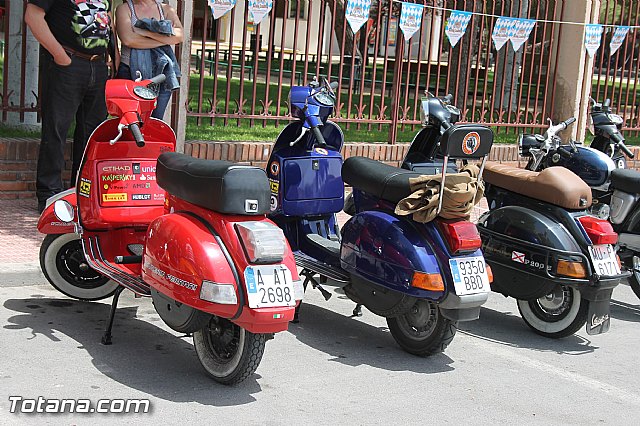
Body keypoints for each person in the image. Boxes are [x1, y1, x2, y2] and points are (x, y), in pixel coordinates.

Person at [25, 0, 114, 213]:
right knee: (56, 130)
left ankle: (82, 192)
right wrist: (60, 56)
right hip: (67, 63)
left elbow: (107, 23)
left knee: (92, 134)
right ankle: (50, 194)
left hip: (98, 65)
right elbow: (32, 16)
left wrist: (113, 59)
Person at [115, 0, 183, 120]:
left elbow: (179, 36)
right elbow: (128, 40)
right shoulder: (124, 9)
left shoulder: (166, 9)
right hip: (130, 71)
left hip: (162, 72)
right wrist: (164, 38)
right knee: (130, 120)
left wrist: (144, 32)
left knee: (155, 120)